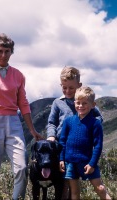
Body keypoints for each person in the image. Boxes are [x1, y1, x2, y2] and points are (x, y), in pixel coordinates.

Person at [0, 33, 43, 200]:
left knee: (21, 167)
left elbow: (23, 104)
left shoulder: (18, 75)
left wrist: (32, 130)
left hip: (13, 121)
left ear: (12, 52)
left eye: (7, 51)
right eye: (0, 51)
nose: (4, 55)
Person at [46, 66, 103, 199]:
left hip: (82, 150)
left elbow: (99, 118)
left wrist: (86, 126)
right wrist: (51, 135)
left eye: (71, 88)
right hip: (62, 147)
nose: (67, 91)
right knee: (64, 183)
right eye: (64, 87)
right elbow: (52, 122)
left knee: (76, 184)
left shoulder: (85, 101)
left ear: (79, 85)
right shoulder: (57, 103)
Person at [59, 86, 111, 200]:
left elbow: (98, 146)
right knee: (74, 192)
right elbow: (62, 142)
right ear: (74, 103)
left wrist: (92, 164)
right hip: (70, 163)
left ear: (93, 105)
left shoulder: (95, 123)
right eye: (78, 103)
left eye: (84, 103)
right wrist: (61, 159)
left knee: (100, 188)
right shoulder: (68, 121)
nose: (81, 106)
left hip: (87, 163)